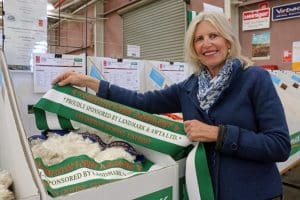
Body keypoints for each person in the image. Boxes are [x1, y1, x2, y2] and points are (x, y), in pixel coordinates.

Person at [52, 12, 291, 200]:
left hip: (254, 194)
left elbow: (279, 145)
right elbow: (142, 101)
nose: (207, 43)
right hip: (205, 193)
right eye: (199, 39)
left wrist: (219, 134)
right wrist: (89, 82)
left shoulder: (254, 79)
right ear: (194, 49)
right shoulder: (189, 87)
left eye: (213, 35)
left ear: (228, 41)